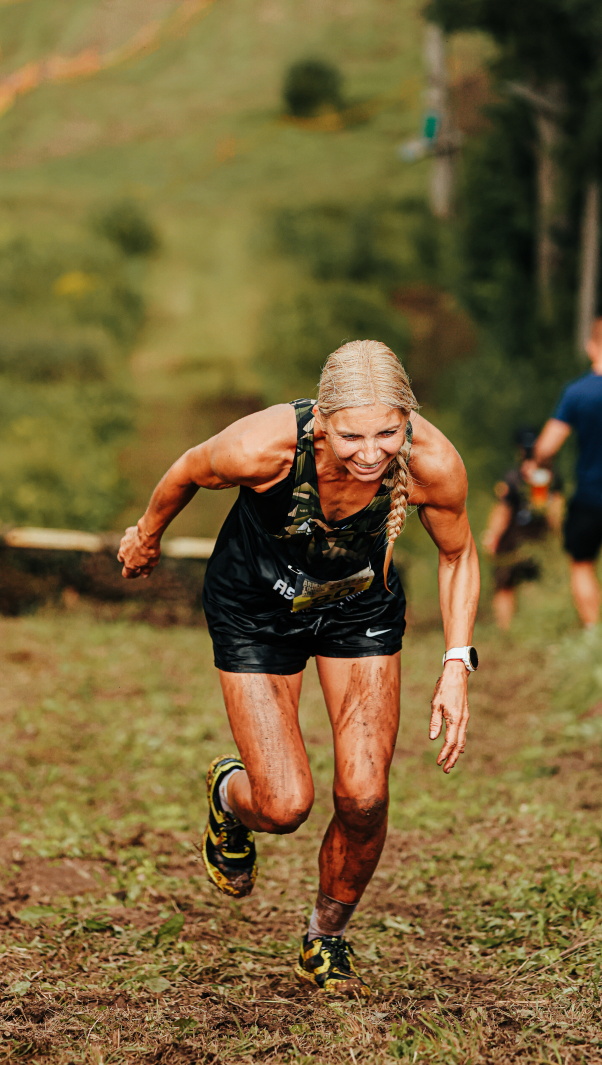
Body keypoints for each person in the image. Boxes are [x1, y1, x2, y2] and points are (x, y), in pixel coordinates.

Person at [118, 340, 480, 997]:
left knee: (364, 796)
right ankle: (229, 796)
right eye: (351, 437)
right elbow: (187, 469)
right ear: (321, 424)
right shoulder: (262, 447)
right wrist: (146, 536)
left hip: (357, 610)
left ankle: (325, 936)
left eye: (387, 433)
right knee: (284, 805)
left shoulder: (432, 463)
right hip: (255, 609)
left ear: (406, 419)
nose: (370, 454)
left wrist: (456, 662)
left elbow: (457, 554)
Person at [535, 318, 602, 630]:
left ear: (591, 346)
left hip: (590, 496)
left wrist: (543, 468)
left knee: (582, 564)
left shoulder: (578, 393)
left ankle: (593, 632)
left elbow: (546, 447)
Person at [481, 428, 563, 629]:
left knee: (505, 585)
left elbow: (503, 511)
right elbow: (557, 512)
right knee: (538, 585)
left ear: (519, 450)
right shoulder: (552, 476)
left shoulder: (512, 476)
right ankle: (536, 627)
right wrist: (559, 537)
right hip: (540, 539)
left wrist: (492, 536)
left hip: (512, 540)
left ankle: (506, 629)